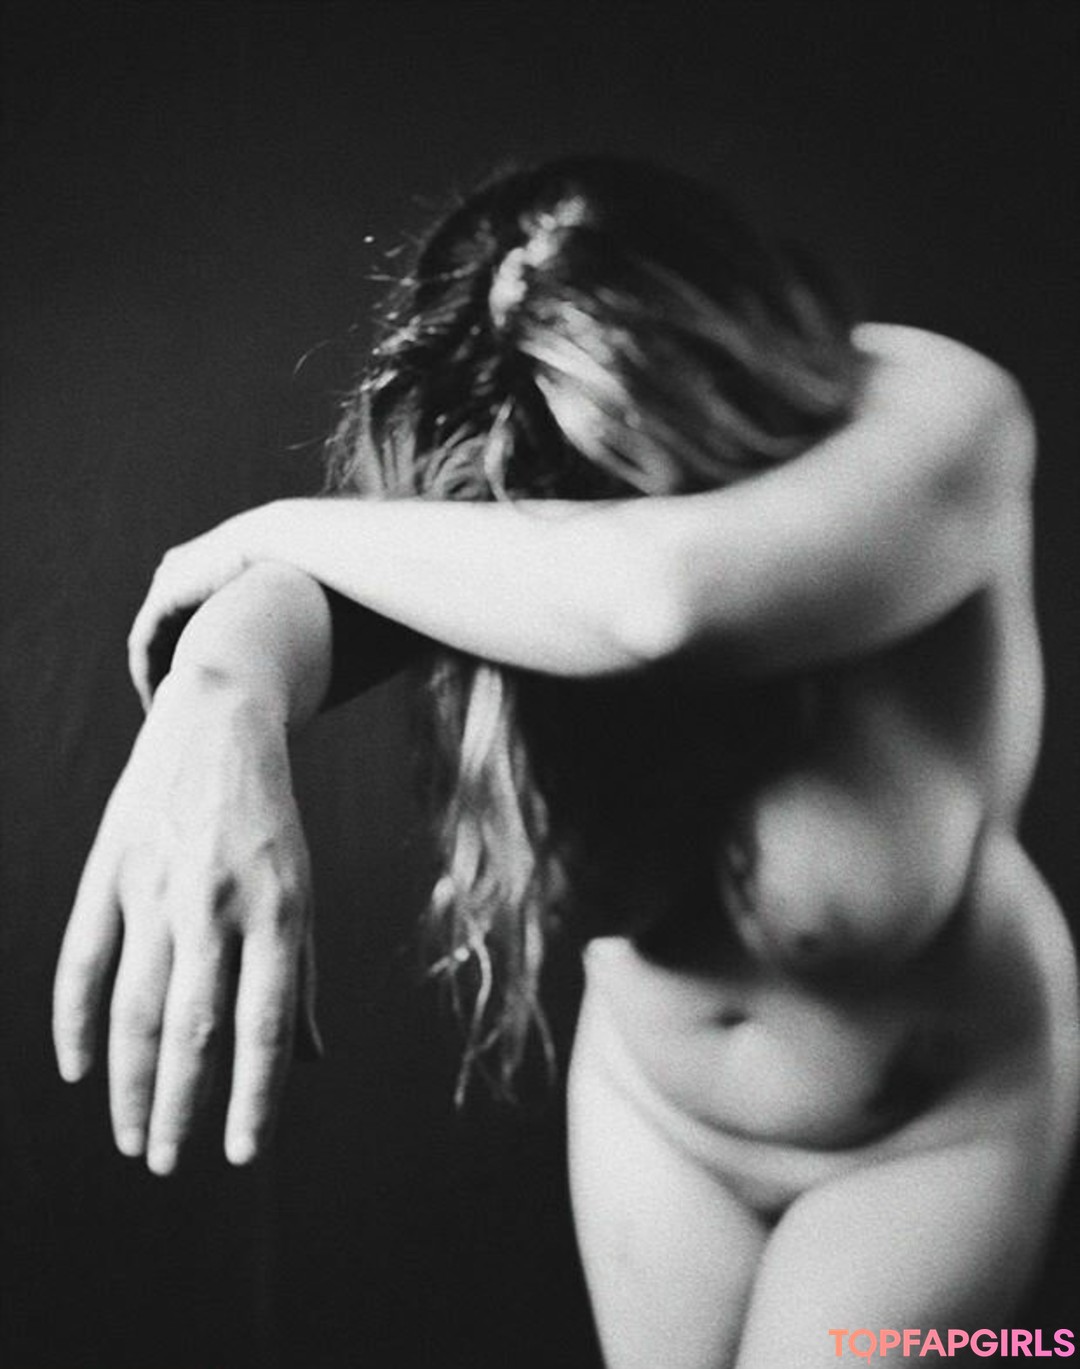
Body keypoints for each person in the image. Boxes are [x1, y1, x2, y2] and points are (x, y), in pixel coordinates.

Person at [52, 156, 1078, 1368]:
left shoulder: (934, 412)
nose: (577, 506)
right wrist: (218, 693)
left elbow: (661, 598)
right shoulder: (537, 502)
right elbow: (317, 611)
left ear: (720, 354)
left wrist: (263, 531)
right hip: (658, 1119)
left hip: (929, 1134)